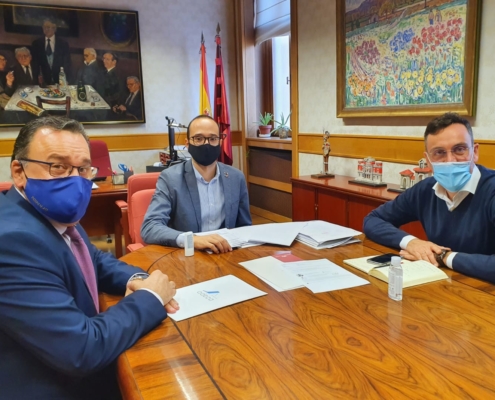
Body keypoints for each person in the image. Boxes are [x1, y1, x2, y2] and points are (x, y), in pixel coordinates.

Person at [0, 116, 179, 399]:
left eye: (83, 169)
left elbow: (92, 257)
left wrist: (136, 279)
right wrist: (152, 298)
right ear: (19, 172)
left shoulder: (49, 214)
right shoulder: (11, 241)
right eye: (57, 166)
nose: (74, 180)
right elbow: (81, 349)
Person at [363, 112, 495, 284]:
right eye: (439, 153)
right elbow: (373, 220)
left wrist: (443, 257)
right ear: (428, 160)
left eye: (460, 149)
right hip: (441, 285)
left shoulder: (491, 190)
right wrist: (412, 242)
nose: (450, 160)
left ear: (475, 152)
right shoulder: (425, 189)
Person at [141, 115, 252, 253]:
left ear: (220, 142)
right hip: (187, 257)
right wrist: (191, 239)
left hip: (226, 254)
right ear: (187, 144)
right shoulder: (170, 178)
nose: (206, 144)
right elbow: (150, 227)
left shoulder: (236, 178)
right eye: (198, 139)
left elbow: (245, 228)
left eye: (212, 139)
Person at [31, 18, 72, 85]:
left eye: (48, 27)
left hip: (60, 81)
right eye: (44, 27)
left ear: (54, 28)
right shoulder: (36, 44)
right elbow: (35, 64)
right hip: (43, 83)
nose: (46, 29)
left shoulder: (63, 44)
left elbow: (67, 63)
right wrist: (37, 78)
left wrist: (66, 80)